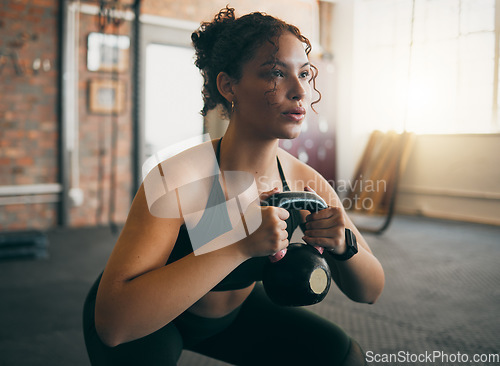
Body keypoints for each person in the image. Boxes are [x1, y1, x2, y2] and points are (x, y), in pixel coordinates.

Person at [83, 6, 385, 366]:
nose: (299, 90)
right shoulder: (177, 178)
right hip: (149, 321)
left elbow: (370, 291)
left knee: (341, 356)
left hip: (232, 319)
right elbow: (113, 324)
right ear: (229, 86)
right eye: (276, 73)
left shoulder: (303, 182)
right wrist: (240, 245)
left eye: (304, 73)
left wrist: (343, 247)